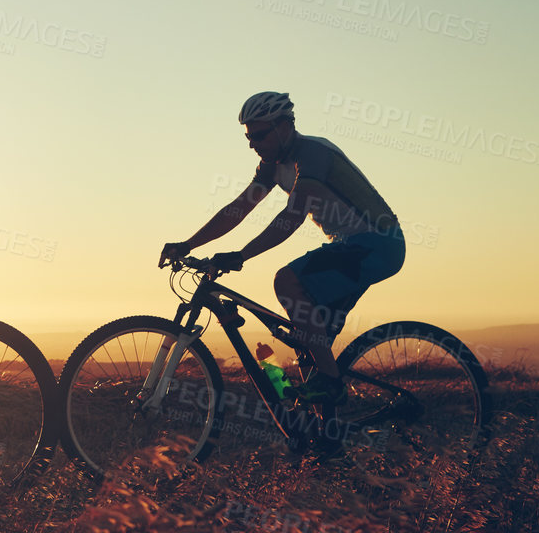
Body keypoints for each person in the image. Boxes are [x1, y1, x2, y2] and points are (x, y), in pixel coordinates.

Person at [160, 91, 405, 427]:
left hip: (377, 243)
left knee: (287, 281)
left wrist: (241, 255)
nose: (253, 144)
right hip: (350, 245)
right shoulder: (273, 165)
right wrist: (188, 244)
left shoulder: (313, 154)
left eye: (260, 135)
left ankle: (332, 384)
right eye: (249, 137)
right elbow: (239, 208)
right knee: (308, 342)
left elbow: (293, 216)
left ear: (285, 125)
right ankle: (327, 437)